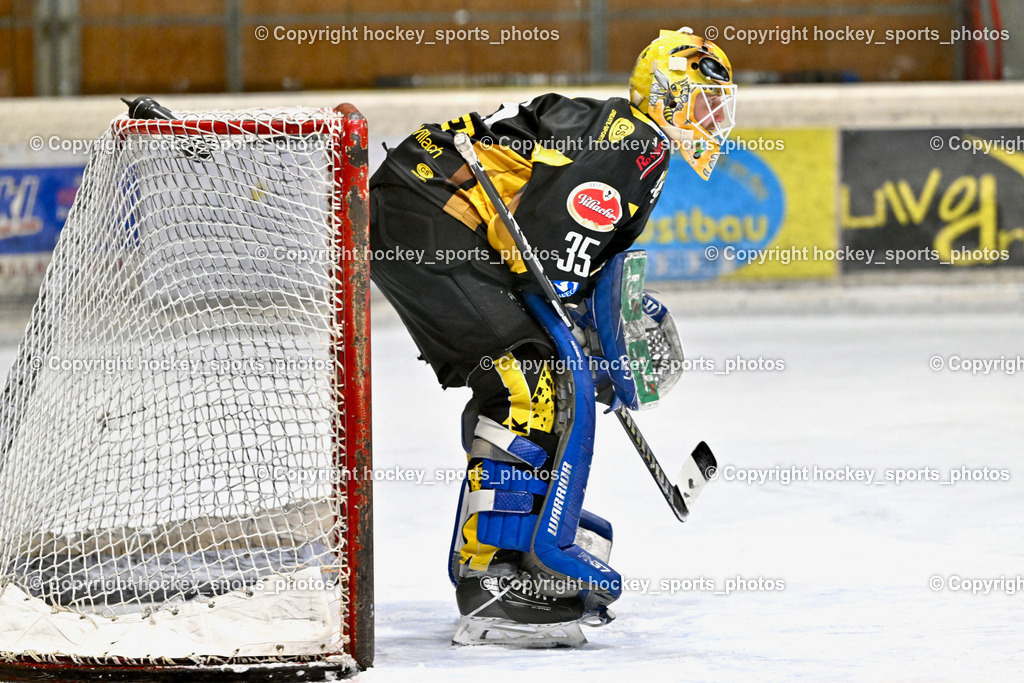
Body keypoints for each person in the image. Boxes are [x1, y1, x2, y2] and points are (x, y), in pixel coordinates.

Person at [369, 27, 736, 646]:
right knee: (524, 381)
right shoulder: (635, 147)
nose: (714, 119)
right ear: (669, 95)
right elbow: (542, 254)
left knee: (536, 376)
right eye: (704, 102)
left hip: (427, 206)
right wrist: (587, 343)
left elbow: (567, 260)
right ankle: (491, 578)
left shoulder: (635, 144)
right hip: (431, 213)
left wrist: (593, 342)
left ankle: (523, 551)